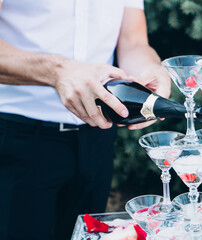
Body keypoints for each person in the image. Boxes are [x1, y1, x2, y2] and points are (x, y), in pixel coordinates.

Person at [0, 1, 171, 240]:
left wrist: (151, 69)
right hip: (16, 137)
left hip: (97, 137)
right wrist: (57, 71)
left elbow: (133, 42)